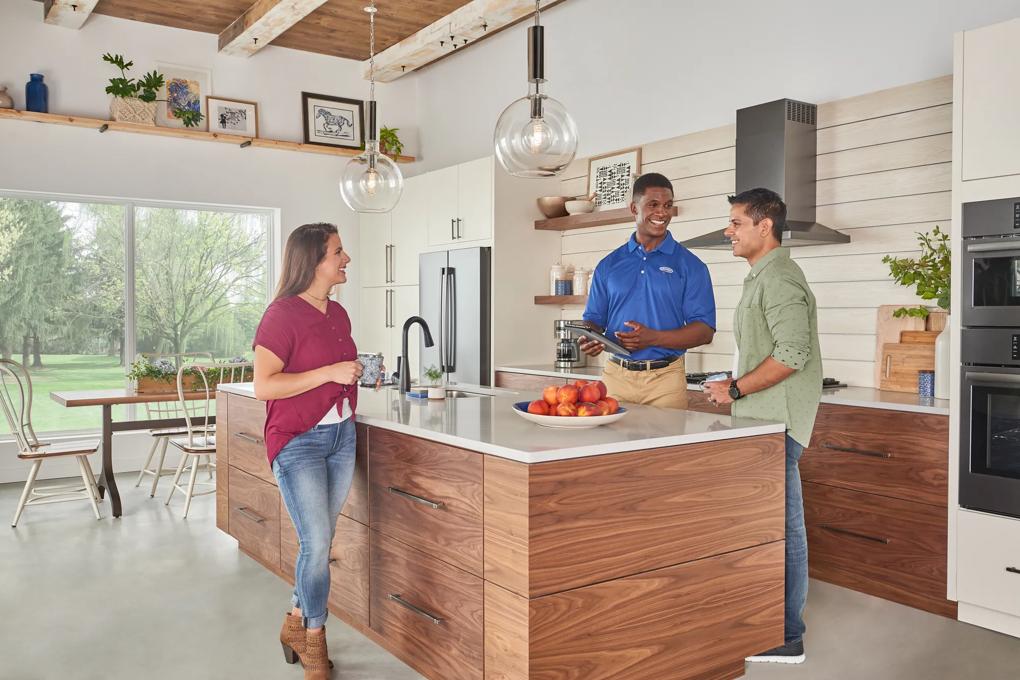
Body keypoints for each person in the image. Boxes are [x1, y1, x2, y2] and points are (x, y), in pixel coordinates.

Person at [703, 188, 822, 665]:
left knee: (785, 530)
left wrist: (735, 390)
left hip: (779, 423)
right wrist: (735, 384)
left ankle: (787, 634)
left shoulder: (779, 279)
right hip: (762, 421)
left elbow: (793, 354)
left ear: (764, 226)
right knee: (770, 527)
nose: (728, 231)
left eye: (735, 223)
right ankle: (769, 621)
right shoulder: (761, 277)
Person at [252, 222, 364, 680]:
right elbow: (264, 386)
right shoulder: (280, 315)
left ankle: (294, 622)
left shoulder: (337, 315)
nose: (346, 258)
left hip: (341, 437)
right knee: (316, 544)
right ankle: (315, 641)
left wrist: (350, 373)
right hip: (298, 441)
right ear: (312, 261)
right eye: (338, 251)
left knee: (319, 545)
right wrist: (331, 372)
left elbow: (335, 371)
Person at [579, 172, 716, 408]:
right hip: (615, 378)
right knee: (611, 445)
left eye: (668, 205)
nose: (662, 213)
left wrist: (653, 338)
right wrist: (590, 337)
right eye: (653, 205)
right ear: (634, 208)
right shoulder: (608, 265)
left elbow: (705, 331)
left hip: (666, 380)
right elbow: (593, 320)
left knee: (666, 446)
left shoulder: (691, 266)